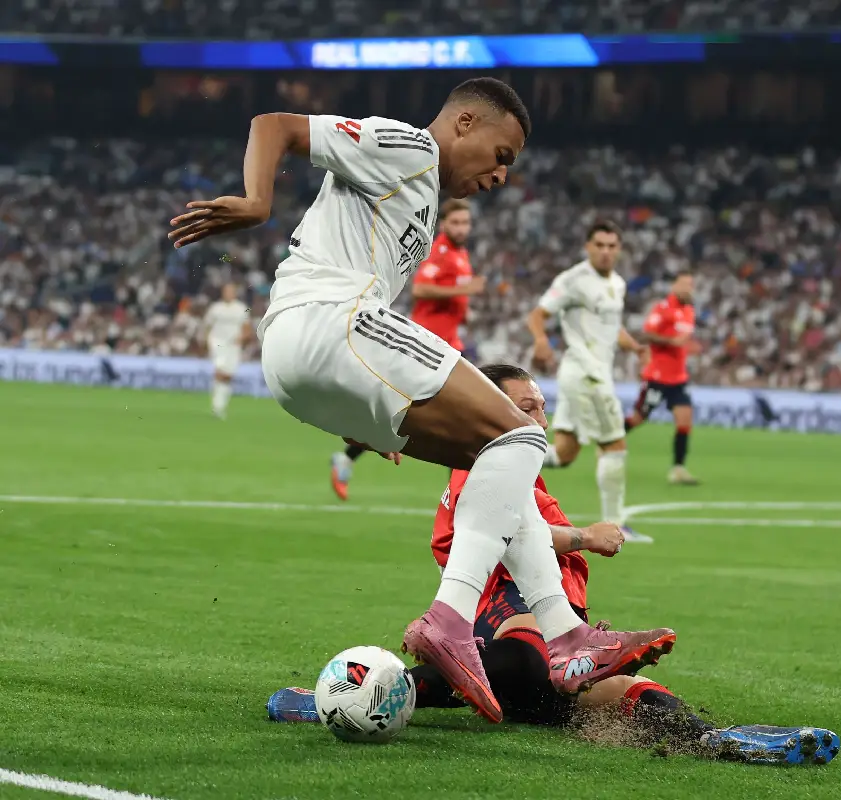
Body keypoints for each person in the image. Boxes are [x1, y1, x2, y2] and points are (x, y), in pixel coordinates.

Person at [167, 77, 671, 725]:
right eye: (501, 154)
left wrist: (370, 402)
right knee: (520, 435)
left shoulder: (423, 200)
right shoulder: (408, 147)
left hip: (309, 357)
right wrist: (258, 202)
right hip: (326, 320)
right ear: (464, 122)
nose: (500, 175)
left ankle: (566, 639)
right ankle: (453, 621)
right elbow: (276, 124)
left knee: (497, 455)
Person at [266, 364, 841, 767]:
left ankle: (722, 740)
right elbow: (519, 527)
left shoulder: (518, 472)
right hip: (504, 621)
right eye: (525, 405)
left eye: (541, 402)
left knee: (625, 691)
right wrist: (586, 536)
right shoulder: (484, 469)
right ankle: (347, 699)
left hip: (534, 660)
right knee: (529, 653)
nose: (540, 411)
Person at [330, 199, 485, 501]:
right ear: (444, 224)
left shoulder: (460, 254)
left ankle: (457, 494)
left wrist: (461, 308)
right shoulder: (439, 251)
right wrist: (462, 291)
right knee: (409, 412)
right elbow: (421, 289)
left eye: (466, 223)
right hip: (427, 344)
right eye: (456, 223)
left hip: (450, 345)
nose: (461, 228)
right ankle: (457, 495)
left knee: (449, 418)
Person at [526, 221, 651, 541]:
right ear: (588, 247)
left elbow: (612, 328)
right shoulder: (573, 280)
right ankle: (617, 524)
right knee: (614, 445)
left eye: (612, 246)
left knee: (565, 453)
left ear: (619, 249)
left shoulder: (618, 284)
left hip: (586, 375)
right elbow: (538, 315)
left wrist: (634, 346)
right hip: (587, 373)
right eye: (599, 245)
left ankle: (506, 452)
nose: (606, 251)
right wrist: (541, 340)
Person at [625, 272, 700, 485]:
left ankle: (678, 469)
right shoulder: (663, 308)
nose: (688, 288)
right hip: (657, 377)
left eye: (691, 284)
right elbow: (648, 333)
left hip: (678, 378)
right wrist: (670, 341)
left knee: (685, 421)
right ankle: (609, 443)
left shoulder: (689, 311)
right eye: (684, 284)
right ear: (674, 286)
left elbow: (683, 340)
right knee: (638, 419)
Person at [202, 282, 251, 420]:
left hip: (233, 344)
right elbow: (207, 325)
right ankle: (217, 407)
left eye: (231, 291)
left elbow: (247, 327)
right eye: (226, 291)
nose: (228, 293)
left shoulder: (242, 308)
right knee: (220, 371)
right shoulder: (215, 308)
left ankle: (221, 405)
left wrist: (242, 338)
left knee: (228, 376)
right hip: (217, 342)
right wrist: (207, 341)